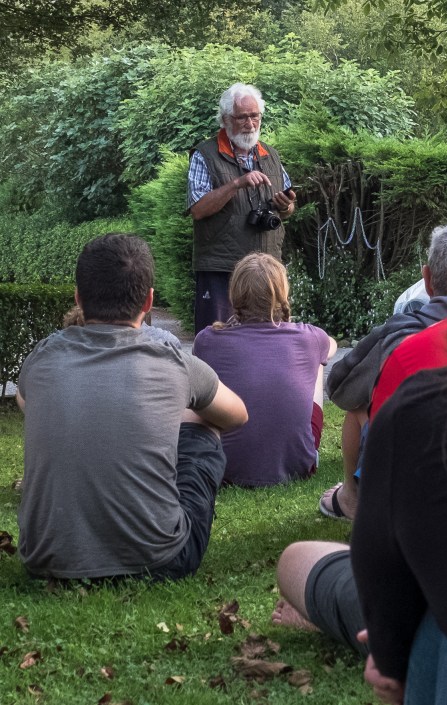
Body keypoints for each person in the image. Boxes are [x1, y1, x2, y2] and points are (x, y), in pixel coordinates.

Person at [273, 182, 447, 705]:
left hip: (423, 616)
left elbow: (385, 579)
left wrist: (388, 649)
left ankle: (345, 501)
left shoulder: (418, 393)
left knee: (301, 561)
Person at [16, 233, 248, 581]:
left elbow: (26, 400)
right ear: (149, 301)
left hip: (45, 561)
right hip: (161, 560)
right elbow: (237, 415)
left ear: (79, 298)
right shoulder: (174, 363)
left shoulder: (42, 358)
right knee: (204, 425)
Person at [321, 223, 447, 520]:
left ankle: (351, 499)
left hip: (409, 499)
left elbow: (340, 385)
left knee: (359, 402)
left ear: (427, 280)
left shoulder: (402, 335)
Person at [193, 252, 337, 486]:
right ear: (282, 293)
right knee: (318, 363)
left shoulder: (207, 340)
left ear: (235, 294)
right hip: (298, 467)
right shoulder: (312, 337)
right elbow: (331, 346)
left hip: (226, 468)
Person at [188, 82, 296, 334]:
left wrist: (286, 206)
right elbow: (198, 209)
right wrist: (236, 184)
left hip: (266, 269)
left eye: (255, 115)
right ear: (226, 119)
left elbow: (288, 210)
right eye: (242, 117)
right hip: (221, 268)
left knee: (270, 339)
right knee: (216, 337)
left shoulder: (270, 154)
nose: (250, 123)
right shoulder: (205, 155)